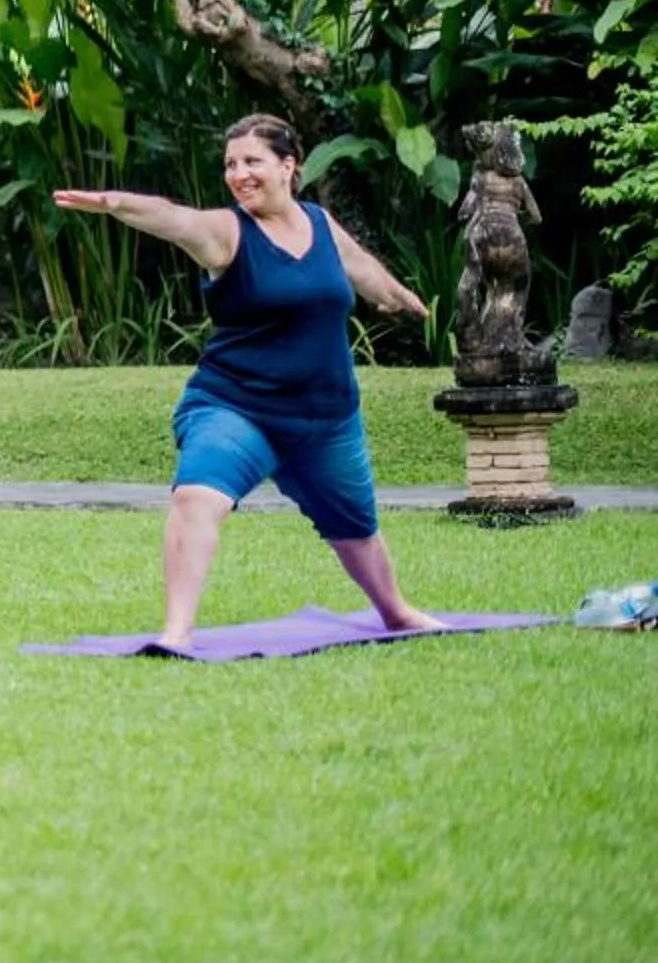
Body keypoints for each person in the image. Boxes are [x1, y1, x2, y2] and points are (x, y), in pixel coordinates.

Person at [56, 113, 441, 653]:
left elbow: (362, 269)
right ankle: (176, 633)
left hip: (324, 419)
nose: (239, 174)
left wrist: (401, 298)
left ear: (289, 167)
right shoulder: (227, 233)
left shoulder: (320, 224)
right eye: (231, 165)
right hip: (236, 407)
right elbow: (174, 218)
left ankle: (397, 613)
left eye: (252, 161)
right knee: (197, 495)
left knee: (355, 530)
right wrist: (117, 204)